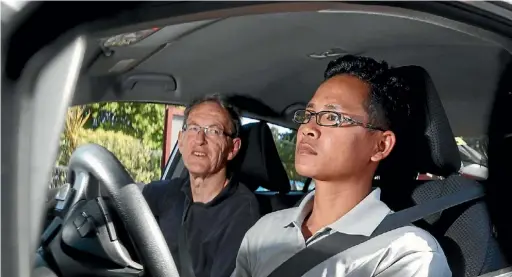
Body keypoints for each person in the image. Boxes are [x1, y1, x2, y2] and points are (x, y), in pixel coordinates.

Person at [232, 55, 451, 277]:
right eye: (309, 115)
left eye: (332, 117)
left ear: (381, 146)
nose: (308, 128)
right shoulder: (263, 231)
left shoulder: (406, 251)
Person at [141, 94, 261, 277]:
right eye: (193, 128)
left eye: (213, 131)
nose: (199, 140)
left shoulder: (243, 212)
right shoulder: (161, 193)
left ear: (233, 148)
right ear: (180, 140)